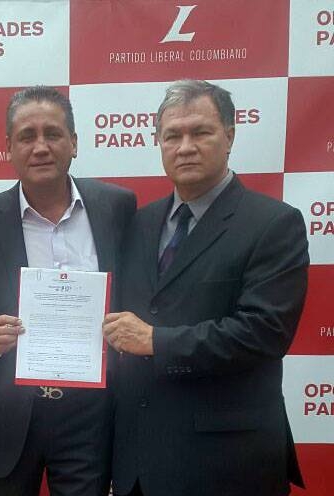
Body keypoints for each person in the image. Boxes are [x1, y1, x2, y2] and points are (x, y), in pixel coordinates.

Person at [103, 79, 308, 496]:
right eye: (172, 135)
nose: (185, 147)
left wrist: (156, 341)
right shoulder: (140, 223)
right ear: (158, 142)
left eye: (200, 132)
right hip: (138, 465)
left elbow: (264, 332)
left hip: (227, 465)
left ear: (229, 137)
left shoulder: (274, 224)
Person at [0, 86, 136, 496]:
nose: (40, 147)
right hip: (9, 411)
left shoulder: (117, 207)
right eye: (27, 136)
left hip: (91, 413)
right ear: (8, 147)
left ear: (74, 142)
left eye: (52, 134)